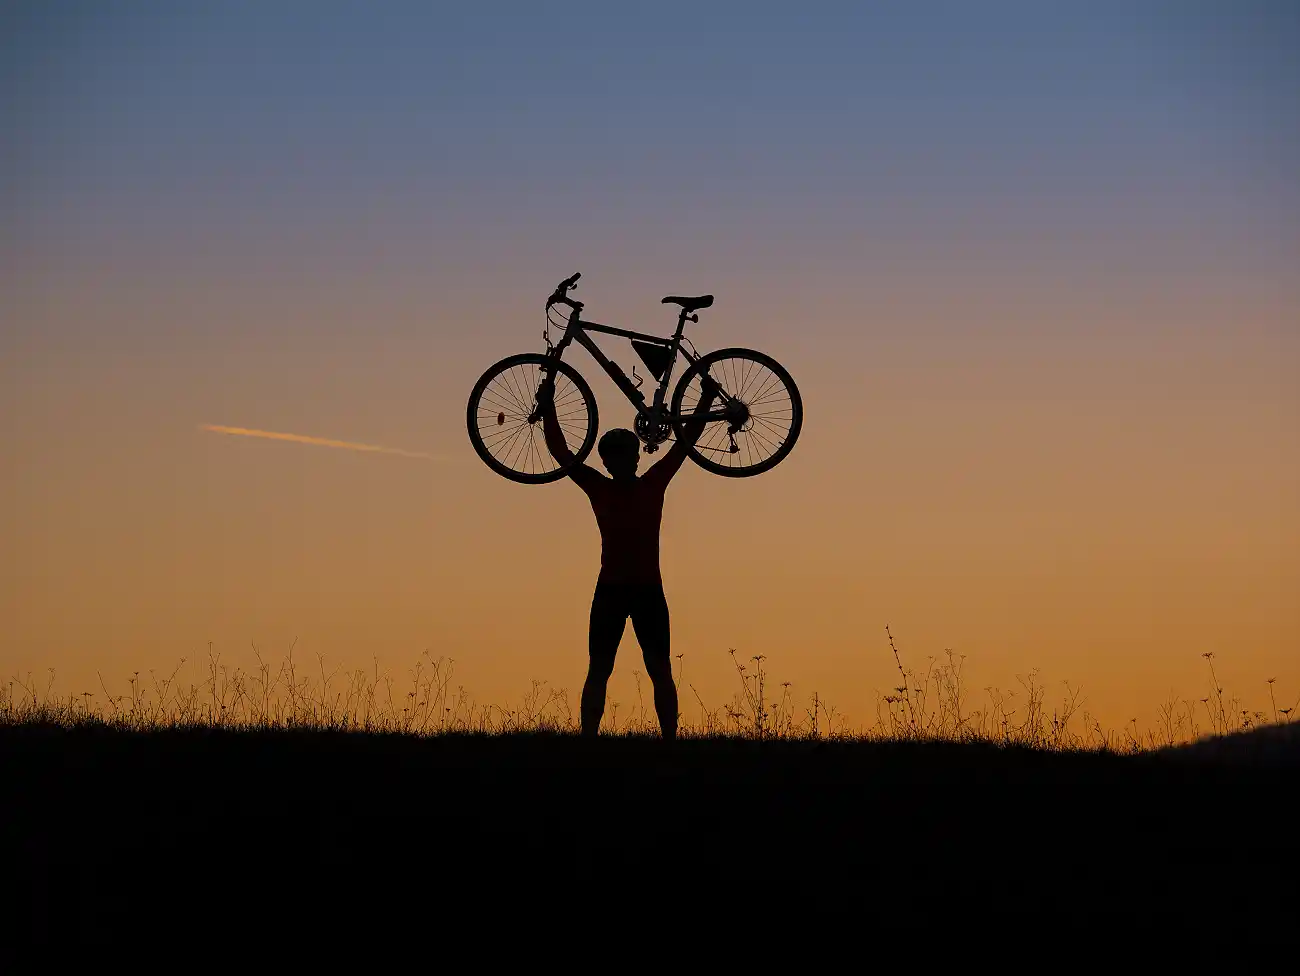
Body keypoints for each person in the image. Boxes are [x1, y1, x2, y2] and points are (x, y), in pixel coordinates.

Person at [538, 376, 720, 739]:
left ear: (634, 457)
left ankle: (666, 739)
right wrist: (548, 407)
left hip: (640, 590)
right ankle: (592, 738)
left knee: (655, 669)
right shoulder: (614, 487)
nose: (622, 463)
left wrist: (704, 402)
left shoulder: (639, 485)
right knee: (604, 668)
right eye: (615, 458)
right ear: (607, 462)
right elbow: (561, 453)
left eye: (626, 456)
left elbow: (686, 443)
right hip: (617, 590)